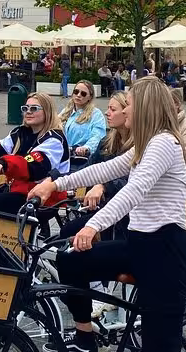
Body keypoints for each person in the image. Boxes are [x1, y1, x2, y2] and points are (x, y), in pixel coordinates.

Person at [28, 76, 186, 352]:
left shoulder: (164, 145)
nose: (125, 108)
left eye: (130, 103)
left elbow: (132, 192)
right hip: (140, 244)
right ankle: (85, 335)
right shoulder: (141, 146)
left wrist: (93, 225)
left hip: (167, 252)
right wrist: (54, 183)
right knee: (70, 264)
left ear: (146, 108)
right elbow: (104, 169)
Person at [62, 90, 132, 244]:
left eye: (113, 110)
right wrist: (56, 179)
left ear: (127, 112)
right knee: (67, 232)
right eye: (108, 108)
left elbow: (131, 181)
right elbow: (90, 168)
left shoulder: (138, 146)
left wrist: (103, 186)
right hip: (103, 208)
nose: (107, 113)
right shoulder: (107, 142)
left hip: (125, 217)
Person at [59, 80, 106, 160]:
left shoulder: (96, 114)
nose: (78, 95)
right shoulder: (66, 111)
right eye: (76, 92)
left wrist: (86, 147)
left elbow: (97, 136)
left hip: (81, 158)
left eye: (83, 94)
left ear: (90, 97)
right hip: (63, 155)